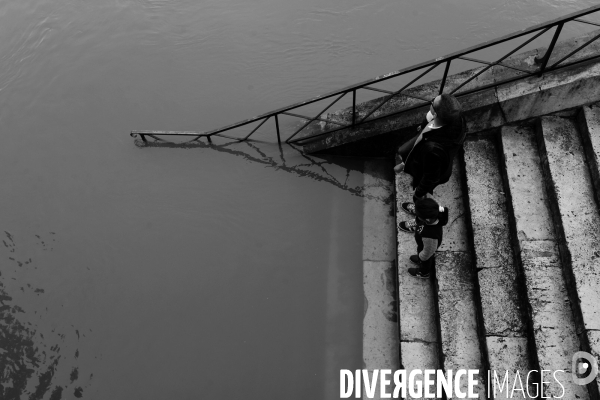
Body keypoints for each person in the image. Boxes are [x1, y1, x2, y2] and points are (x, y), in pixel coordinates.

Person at [395, 93, 465, 233]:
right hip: (429, 161)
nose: (431, 101)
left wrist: (419, 193)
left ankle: (420, 221)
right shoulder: (454, 119)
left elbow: (430, 176)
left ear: (437, 113)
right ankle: (420, 208)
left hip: (430, 171)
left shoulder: (434, 151)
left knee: (422, 203)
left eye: (433, 102)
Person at [407, 198, 448, 278]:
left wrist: (422, 257)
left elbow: (429, 251)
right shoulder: (430, 219)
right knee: (421, 254)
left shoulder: (431, 236)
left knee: (425, 263)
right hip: (422, 245)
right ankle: (420, 258)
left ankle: (423, 273)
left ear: (427, 219)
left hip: (426, 253)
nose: (417, 216)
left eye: (418, 215)